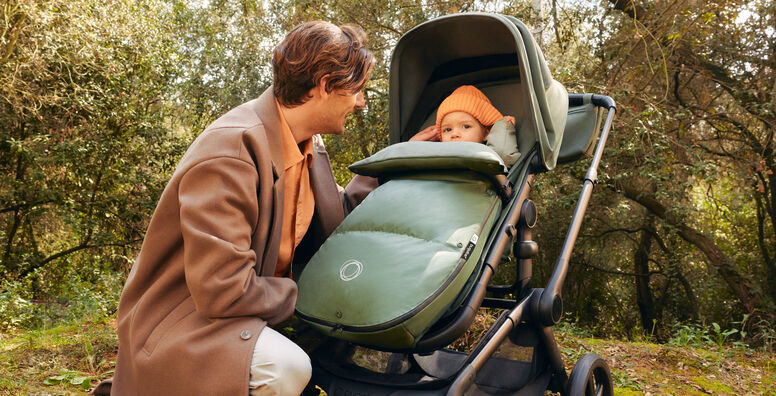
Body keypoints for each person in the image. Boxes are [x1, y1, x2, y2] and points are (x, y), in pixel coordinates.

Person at [101, 21, 377, 396]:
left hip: (238, 314)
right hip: (185, 323)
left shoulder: (305, 145)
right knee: (285, 368)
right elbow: (223, 291)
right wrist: (308, 296)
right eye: (357, 90)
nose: (360, 102)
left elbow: (334, 218)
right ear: (326, 84)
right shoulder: (231, 152)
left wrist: (394, 163)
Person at [410, 85, 515, 143]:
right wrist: (413, 144)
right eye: (447, 130)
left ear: (486, 133)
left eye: (466, 126)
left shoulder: (490, 159)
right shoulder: (437, 156)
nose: (454, 134)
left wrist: (504, 130)